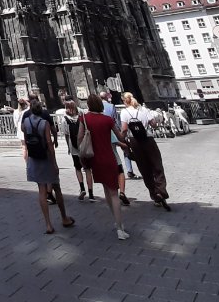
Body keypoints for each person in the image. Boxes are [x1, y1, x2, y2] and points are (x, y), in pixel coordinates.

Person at [76, 94, 130, 240]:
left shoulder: (84, 119)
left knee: (107, 190)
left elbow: (79, 138)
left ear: (88, 105)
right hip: (109, 158)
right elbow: (120, 137)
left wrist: (82, 152)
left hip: (95, 160)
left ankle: (117, 221)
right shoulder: (107, 119)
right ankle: (119, 227)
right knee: (113, 193)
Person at [22, 98, 73, 234]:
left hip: (34, 158)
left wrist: (27, 152)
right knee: (56, 187)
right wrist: (54, 163)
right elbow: (49, 144)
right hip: (46, 158)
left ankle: (48, 224)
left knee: (41, 190)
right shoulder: (44, 122)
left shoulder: (25, 121)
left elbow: (25, 139)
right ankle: (64, 218)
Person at [119, 92, 170, 210]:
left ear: (124, 101)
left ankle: (155, 195)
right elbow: (154, 124)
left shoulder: (124, 112)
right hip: (148, 139)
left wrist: (122, 141)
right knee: (157, 166)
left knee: (144, 169)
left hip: (135, 142)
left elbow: (125, 129)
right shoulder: (144, 110)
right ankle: (161, 191)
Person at [61, 99, 93, 201]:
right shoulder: (82, 116)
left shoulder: (64, 119)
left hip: (73, 146)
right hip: (84, 145)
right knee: (87, 169)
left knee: (78, 168)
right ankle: (91, 194)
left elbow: (66, 135)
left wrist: (68, 147)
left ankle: (82, 188)